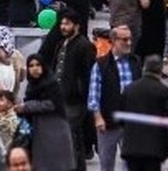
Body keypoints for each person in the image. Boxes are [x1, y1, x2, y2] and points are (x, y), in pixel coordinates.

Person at [38, 12, 96, 171]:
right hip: (59, 98)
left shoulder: (84, 46)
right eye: (62, 24)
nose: (63, 27)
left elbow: (88, 74)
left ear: (76, 25)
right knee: (72, 137)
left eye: (67, 24)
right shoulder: (61, 43)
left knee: (70, 136)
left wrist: (82, 94)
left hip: (74, 101)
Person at [88, 25, 142, 171]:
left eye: (130, 39)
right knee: (106, 163)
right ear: (113, 41)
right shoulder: (101, 64)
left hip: (131, 122)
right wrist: (98, 117)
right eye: (124, 40)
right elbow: (94, 94)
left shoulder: (135, 62)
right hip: (108, 122)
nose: (129, 43)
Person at [117, 56, 168, 171]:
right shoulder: (163, 91)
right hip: (154, 149)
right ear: (160, 70)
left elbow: (121, 118)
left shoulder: (129, 89)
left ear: (144, 68)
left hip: (131, 147)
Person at [17, 54, 76, 171]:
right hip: (40, 132)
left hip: (54, 132)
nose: (34, 68)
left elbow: (51, 104)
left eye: (38, 65)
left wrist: (27, 107)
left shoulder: (51, 84)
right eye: (31, 65)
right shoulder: (32, 86)